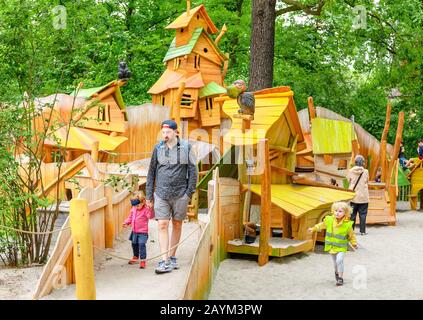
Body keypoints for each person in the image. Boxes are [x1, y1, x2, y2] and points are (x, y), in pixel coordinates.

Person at [146, 120, 197, 274]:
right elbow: (151, 172)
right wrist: (149, 195)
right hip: (161, 194)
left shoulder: (187, 148)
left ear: (176, 132)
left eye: (168, 132)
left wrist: (188, 193)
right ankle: (164, 260)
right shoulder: (158, 148)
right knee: (162, 225)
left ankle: (172, 256)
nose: (165, 135)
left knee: (177, 224)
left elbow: (193, 171)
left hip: (180, 194)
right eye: (163, 132)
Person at [308, 202, 358, 286]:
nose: (337, 213)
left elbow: (351, 235)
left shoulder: (347, 225)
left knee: (339, 260)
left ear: (345, 213)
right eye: (336, 211)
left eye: (340, 211)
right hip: (331, 246)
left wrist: (354, 243)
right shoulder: (329, 220)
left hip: (341, 247)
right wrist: (313, 228)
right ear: (333, 211)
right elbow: (322, 225)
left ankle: (340, 278)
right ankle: (337, 274)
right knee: (335, 264)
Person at [122, 191, 155, 269]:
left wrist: (150, 208)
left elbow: (150, 216)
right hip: (134, 231)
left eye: (138, 205)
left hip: (143, 232)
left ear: (143, 202)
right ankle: (135, 256)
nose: (136, 207)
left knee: (141, 245)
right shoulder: (134, 209)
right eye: (134, 206)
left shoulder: (146, 209)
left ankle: (143, 260)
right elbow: (130, 217)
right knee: (134, 244)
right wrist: (126, 222)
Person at [347, 155, 369, 235]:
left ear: (355, 162)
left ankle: (351, 232)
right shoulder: (366, 171)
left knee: (352, 215)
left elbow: (348, 181)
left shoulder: (350, 171)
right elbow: (367, 181)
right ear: (362, 162)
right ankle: (362, 231)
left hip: (353, 196)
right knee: (363, 214)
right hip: (363, 196)